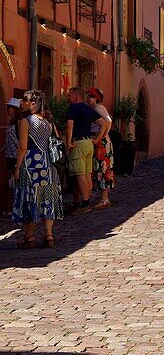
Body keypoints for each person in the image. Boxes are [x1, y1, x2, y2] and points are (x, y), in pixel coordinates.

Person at [12, 90, 63, 247]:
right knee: (47, 197)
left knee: (31, 198)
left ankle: (30, 236)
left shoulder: (26, 121)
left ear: (33, 104)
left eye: (25, 100)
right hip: (48, 164)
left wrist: (17, 166)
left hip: (31, 164)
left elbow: (22, 147)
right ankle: (48, 235)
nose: (22, 103)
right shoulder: (48, 121)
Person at [65, 86, 106, 211]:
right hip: (89, 142)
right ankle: (86, 199)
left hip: (78, 142)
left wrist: (68, 142)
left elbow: (69, 125)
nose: (68, 98)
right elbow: (103, 123)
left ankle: (84, 203)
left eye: (70, 95)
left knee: (80, 174)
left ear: (76, 96)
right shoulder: (88, 108)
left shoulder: (73, 108)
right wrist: (97, 139)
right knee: (87, 173)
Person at [87, 88, 114, 209]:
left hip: (101, 143)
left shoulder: (98, 109)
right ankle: (103, 198)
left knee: (102, 168)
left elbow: (107, 121)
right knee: (100, 168)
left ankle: (104, 199)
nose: (88, 98)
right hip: (101, 141)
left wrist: (100, 136)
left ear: (96, 98)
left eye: (90, 96)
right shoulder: (96, 109)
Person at [4, 97, 22, 206]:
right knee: (12, 182)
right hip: (10, 154)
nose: (7, 109)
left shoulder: (19, 123)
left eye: (9, 107)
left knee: (16, 182)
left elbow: (20, 141)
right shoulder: (12, 122)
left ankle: (17, 207)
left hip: (16, 155)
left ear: (14, 109)